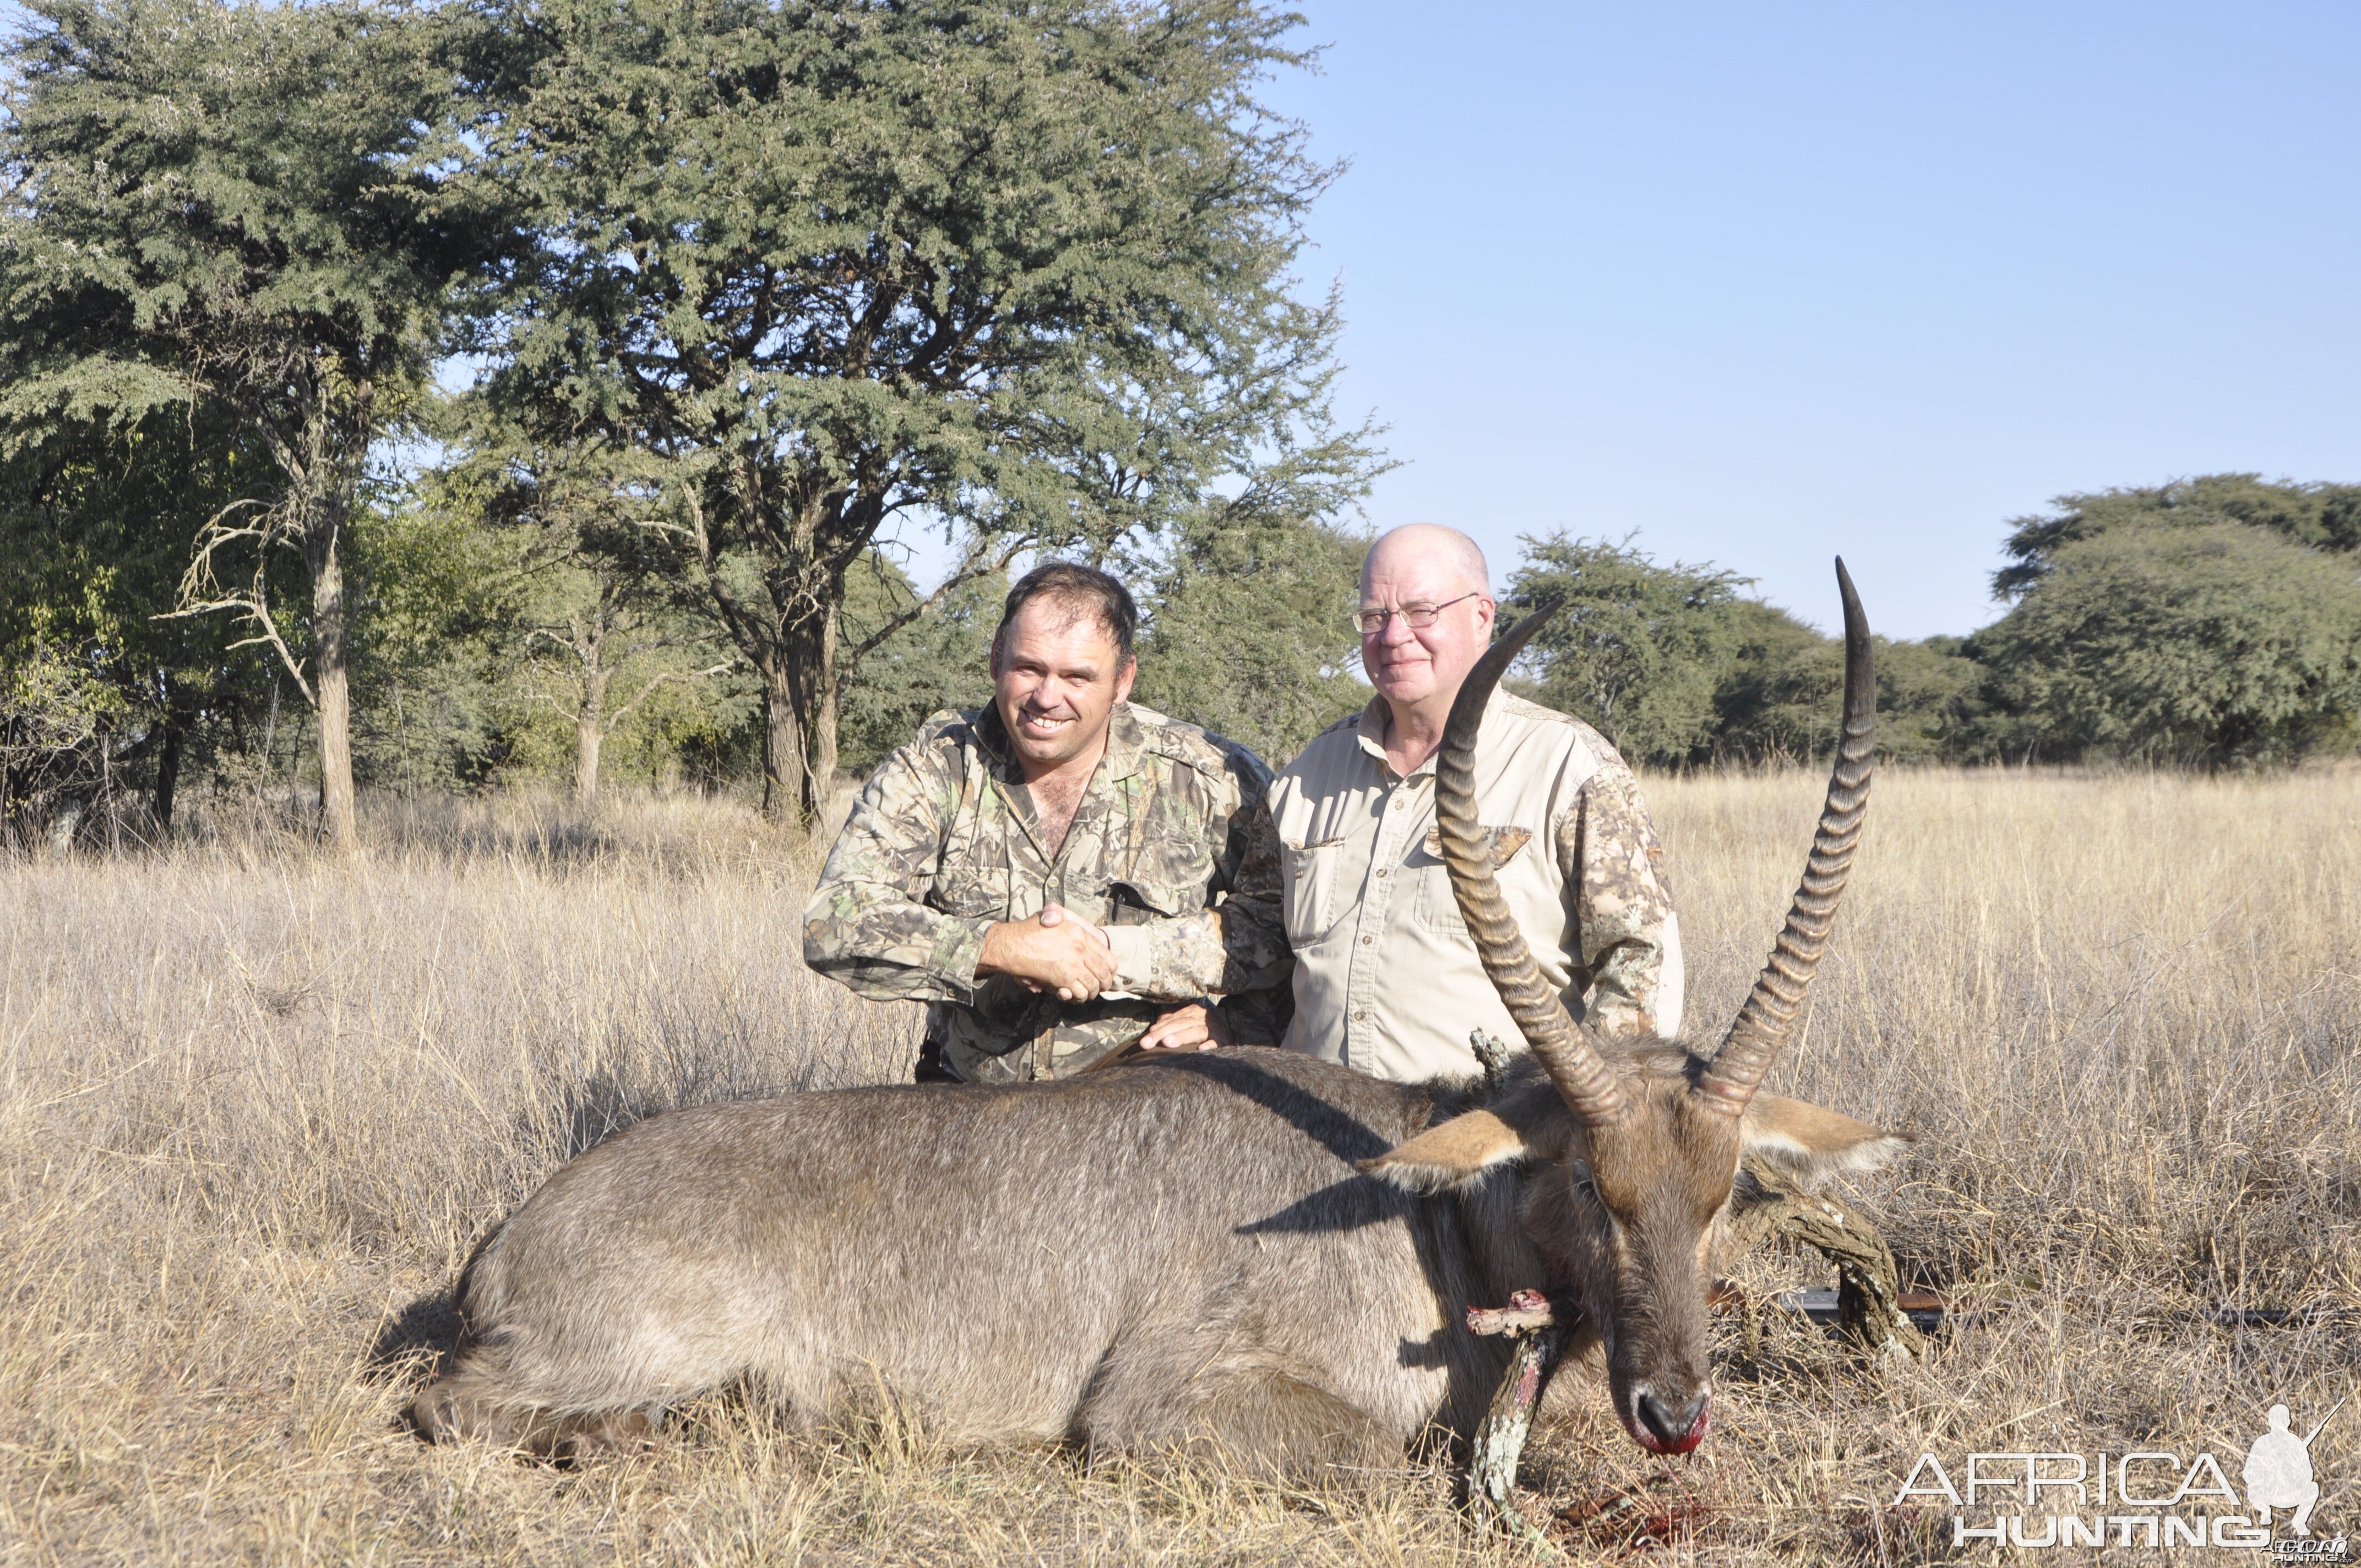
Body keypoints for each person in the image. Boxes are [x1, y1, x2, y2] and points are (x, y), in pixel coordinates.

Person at [1149, 524, 1683, 1081]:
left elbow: (1640, 967)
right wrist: (1223, 1022)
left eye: (1421, 611)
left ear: (1482, 617)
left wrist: (1579, 1116)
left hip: (1493, 1145)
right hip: (1309, 1143)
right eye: (1374, 617)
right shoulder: (1308, 775)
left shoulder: (1567, 764)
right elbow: (1259, 943)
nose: (1394, 636)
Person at [803, 561, 1291, 1083]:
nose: (1046, 698)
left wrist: (1237, 1025)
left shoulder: (1210, 776)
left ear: (1122, 680)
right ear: (995, 658)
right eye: (1029, 668)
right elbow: (833, 922)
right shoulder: (937, 766)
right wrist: (1003, 947)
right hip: (966, 1102)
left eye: (1078, 676)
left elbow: (1295, 925)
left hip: (1143, 1106)